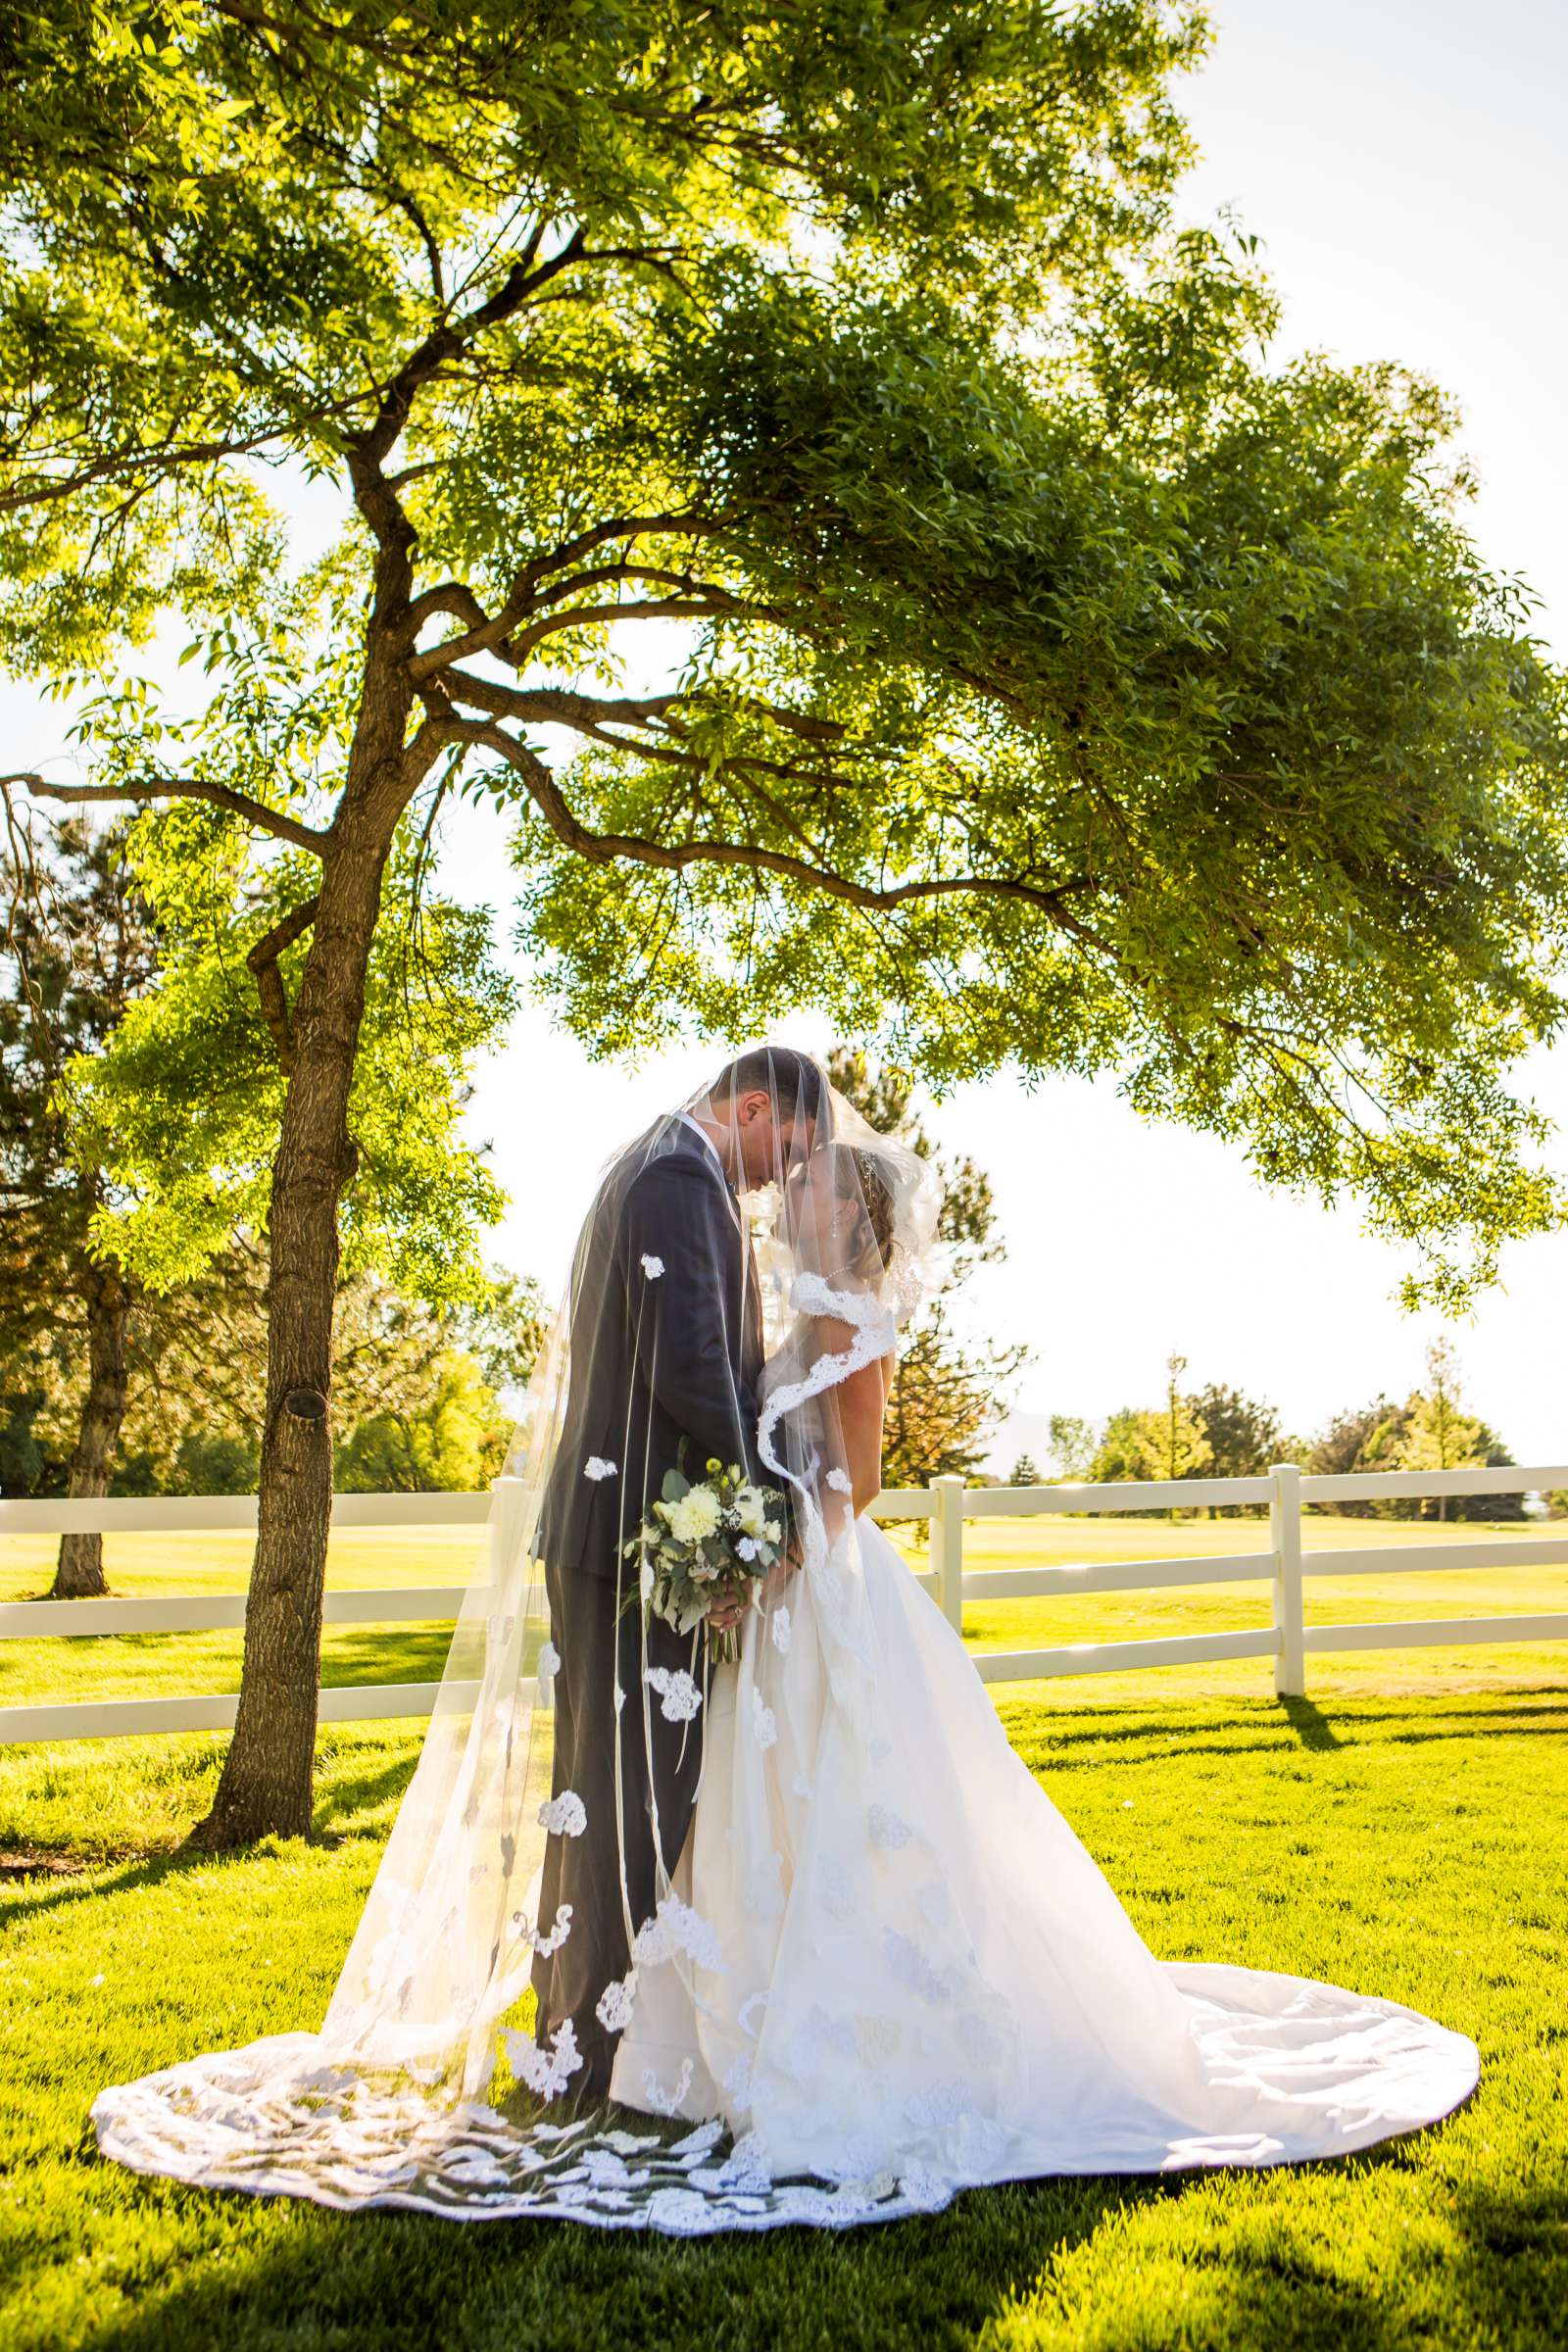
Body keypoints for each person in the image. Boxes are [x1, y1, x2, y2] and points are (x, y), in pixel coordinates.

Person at [92, 1052, 1479, 2230]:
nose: (783, 1190)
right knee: (637, 1808)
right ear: (756, 1111)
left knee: (693, 1812)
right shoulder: (675, 1176)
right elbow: (699, 1382)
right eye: (789, 1159)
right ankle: (601, 2038)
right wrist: (748, 1527)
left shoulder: (790, 1267)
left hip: (768, 1578)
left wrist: (763, 1537)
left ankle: (617, 2039)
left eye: (810, 1177)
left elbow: (841, 1468)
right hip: (679, 1557)